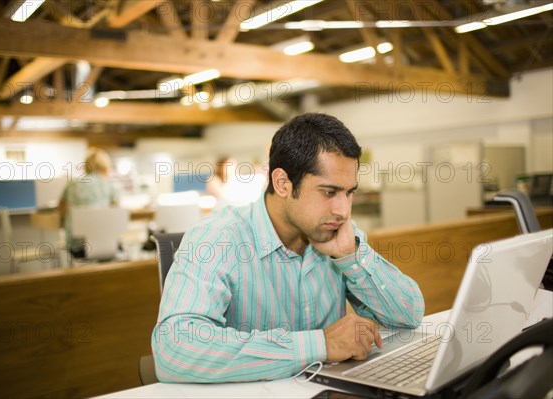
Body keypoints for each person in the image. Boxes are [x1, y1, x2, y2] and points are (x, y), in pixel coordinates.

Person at [152, 113, 424, 383]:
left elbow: (408, 316)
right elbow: (175, 348)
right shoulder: (217, 238)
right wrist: (319, 346)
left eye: (349, 192)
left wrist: (351, 257)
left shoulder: (336, 234)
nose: (343, 210)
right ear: (283, 183)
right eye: (329, 192)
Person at [58, 147, 119, 257]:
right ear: (105, 165)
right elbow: (116, 213)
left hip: (76, 247)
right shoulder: (109, 185)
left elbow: (61, 209)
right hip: (104, 244)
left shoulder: (72, 184)